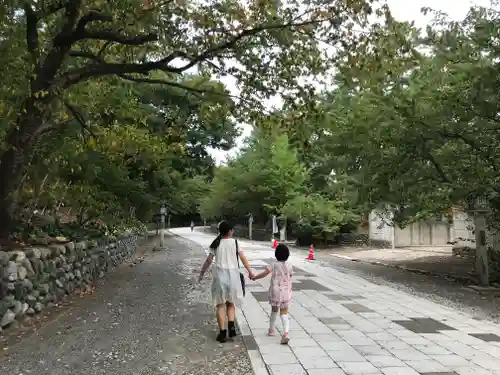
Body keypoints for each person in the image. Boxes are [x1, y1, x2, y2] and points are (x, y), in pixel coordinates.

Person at [198, 221, 255, 343]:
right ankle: (231, 326)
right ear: (230, 231)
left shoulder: (216, 244)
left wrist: (202, 273)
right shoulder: (235, 243)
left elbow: (208, 261)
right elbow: (243, 258)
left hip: (220, 277)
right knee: (231, 303)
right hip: (233, 277)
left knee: (220, 305)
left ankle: (223, 333)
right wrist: (250, 272)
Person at [251, 243, 292, 345]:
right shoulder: (289, 265)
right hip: (286, 292)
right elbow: (290, 276)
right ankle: (286, 333)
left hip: (276, 291)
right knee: (284, 313)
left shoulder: (273, 264)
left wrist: (255, 277)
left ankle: (271, 330)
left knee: (274, 311)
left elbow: (264, 273)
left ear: (276, 254)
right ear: (287, 255)